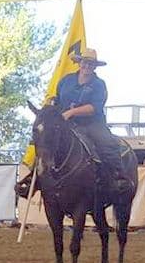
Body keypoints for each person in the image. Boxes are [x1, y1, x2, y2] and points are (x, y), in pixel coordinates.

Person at [54, 48, 132, 194]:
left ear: (95, 66)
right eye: (85, 62)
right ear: (79, 63)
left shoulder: (99, 84)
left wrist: (71, 112)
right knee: (46, 140)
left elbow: (94, 107)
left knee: (107, 142)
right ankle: (35, 176)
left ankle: (118, 177)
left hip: (92, 123)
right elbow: (57, 100)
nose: (87, 66)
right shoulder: (65, 81)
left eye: (91, 64)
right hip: (66, 123)